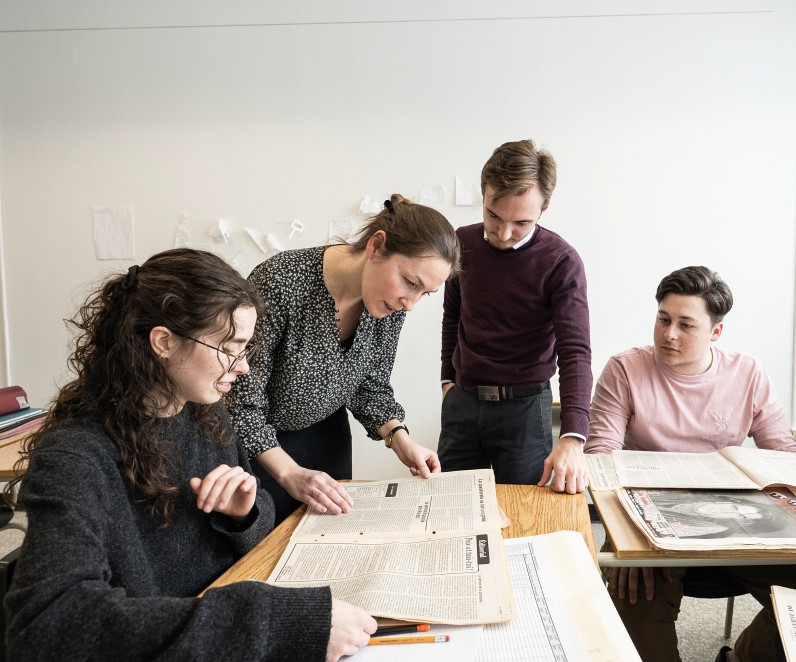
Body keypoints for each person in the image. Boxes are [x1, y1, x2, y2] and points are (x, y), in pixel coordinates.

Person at [3, 249, 376, 661]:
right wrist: (279, 622)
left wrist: (242, 515)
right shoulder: (73, 457)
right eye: (231, 347)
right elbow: (49, 624)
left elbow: (255, 530)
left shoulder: (206, 415)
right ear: (163, 342)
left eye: (246, 349)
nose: (244, 367)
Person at [585, 266, 796, 662]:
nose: (669, 334)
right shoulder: (625, 369)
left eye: (686, 325)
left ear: (716, 332)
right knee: (635, 600)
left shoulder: (747, 371)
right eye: (663, 319)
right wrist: (624, 541)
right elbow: (601, 456)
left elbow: (783, 454)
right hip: (644, 519)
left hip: (740, 514)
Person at [227, 195, 461, 522]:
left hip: (327, 439)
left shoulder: (389, 304)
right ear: (377, 246)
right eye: (410, 282)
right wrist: (290, 473)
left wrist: (399, 438)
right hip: (262, 450)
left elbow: (370, 385)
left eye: (424, 294)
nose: (411, 303)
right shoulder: (280, 281)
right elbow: (239, 400)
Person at [439, 139, 592, 493]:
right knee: (451, 509)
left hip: (524, 409)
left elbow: (575, 353)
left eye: (521, 222)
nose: (504, 233)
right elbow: (453, 318)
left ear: (545, 208)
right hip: (462, 402)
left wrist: (573, 437)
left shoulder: (561, 261)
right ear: (483, 194)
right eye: (494, 215)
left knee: (523, 516)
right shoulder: (460, 244)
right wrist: (447, 381)